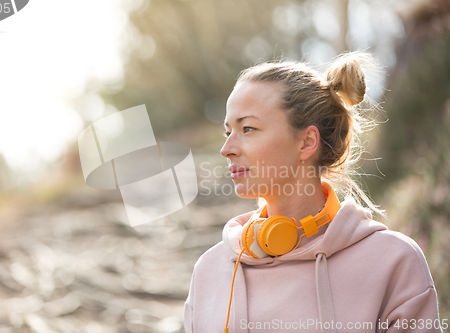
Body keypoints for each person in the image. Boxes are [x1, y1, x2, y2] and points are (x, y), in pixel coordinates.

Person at [183, 52, 444, 333]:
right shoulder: (210, 270)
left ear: (307, 142)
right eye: (227, 132)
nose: (227, 149)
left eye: (248, 128)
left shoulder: (393, 262)